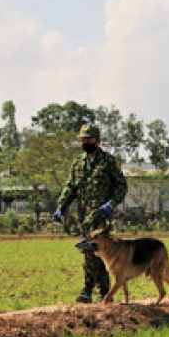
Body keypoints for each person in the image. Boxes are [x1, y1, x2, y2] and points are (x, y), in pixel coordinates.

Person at [54, 124, 128, 303]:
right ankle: (90, 289)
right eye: (83, 139)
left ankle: (100, 291)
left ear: (97, 140)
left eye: (89, 139)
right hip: (84, 216)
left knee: (101, 252)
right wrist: (61, 207)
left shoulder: (108, 161)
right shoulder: (78, 163)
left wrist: (111, 204)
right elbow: (70, 187)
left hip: (101, 216)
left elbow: (121, 186)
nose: (85, 142)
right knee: (88, 252)